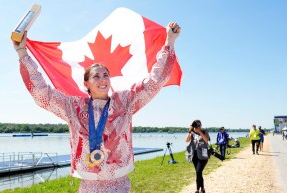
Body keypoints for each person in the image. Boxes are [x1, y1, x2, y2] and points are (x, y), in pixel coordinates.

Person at [12, 22, 181, 192]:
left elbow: (154, 82)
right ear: (86, 83)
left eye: (106, 75)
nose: (102, 79)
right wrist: (22, 53)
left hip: (119, 185)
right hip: (89, 186)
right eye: (96, 76)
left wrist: (169, 43)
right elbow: (42, 94)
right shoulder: (74, 107)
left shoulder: (125, 102)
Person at [185, 120, 210, 193]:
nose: (198, 126)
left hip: (203, 155)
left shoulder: (205, 131)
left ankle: (198, 189)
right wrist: (189, 131)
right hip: (194, 155)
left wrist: (199, 132)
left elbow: (206, 140)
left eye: (199, 125)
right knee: (198, 172)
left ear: (201, 125)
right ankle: (201, 188)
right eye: (196, 125)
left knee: (198, 171)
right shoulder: (192, 133)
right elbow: (186, 140)